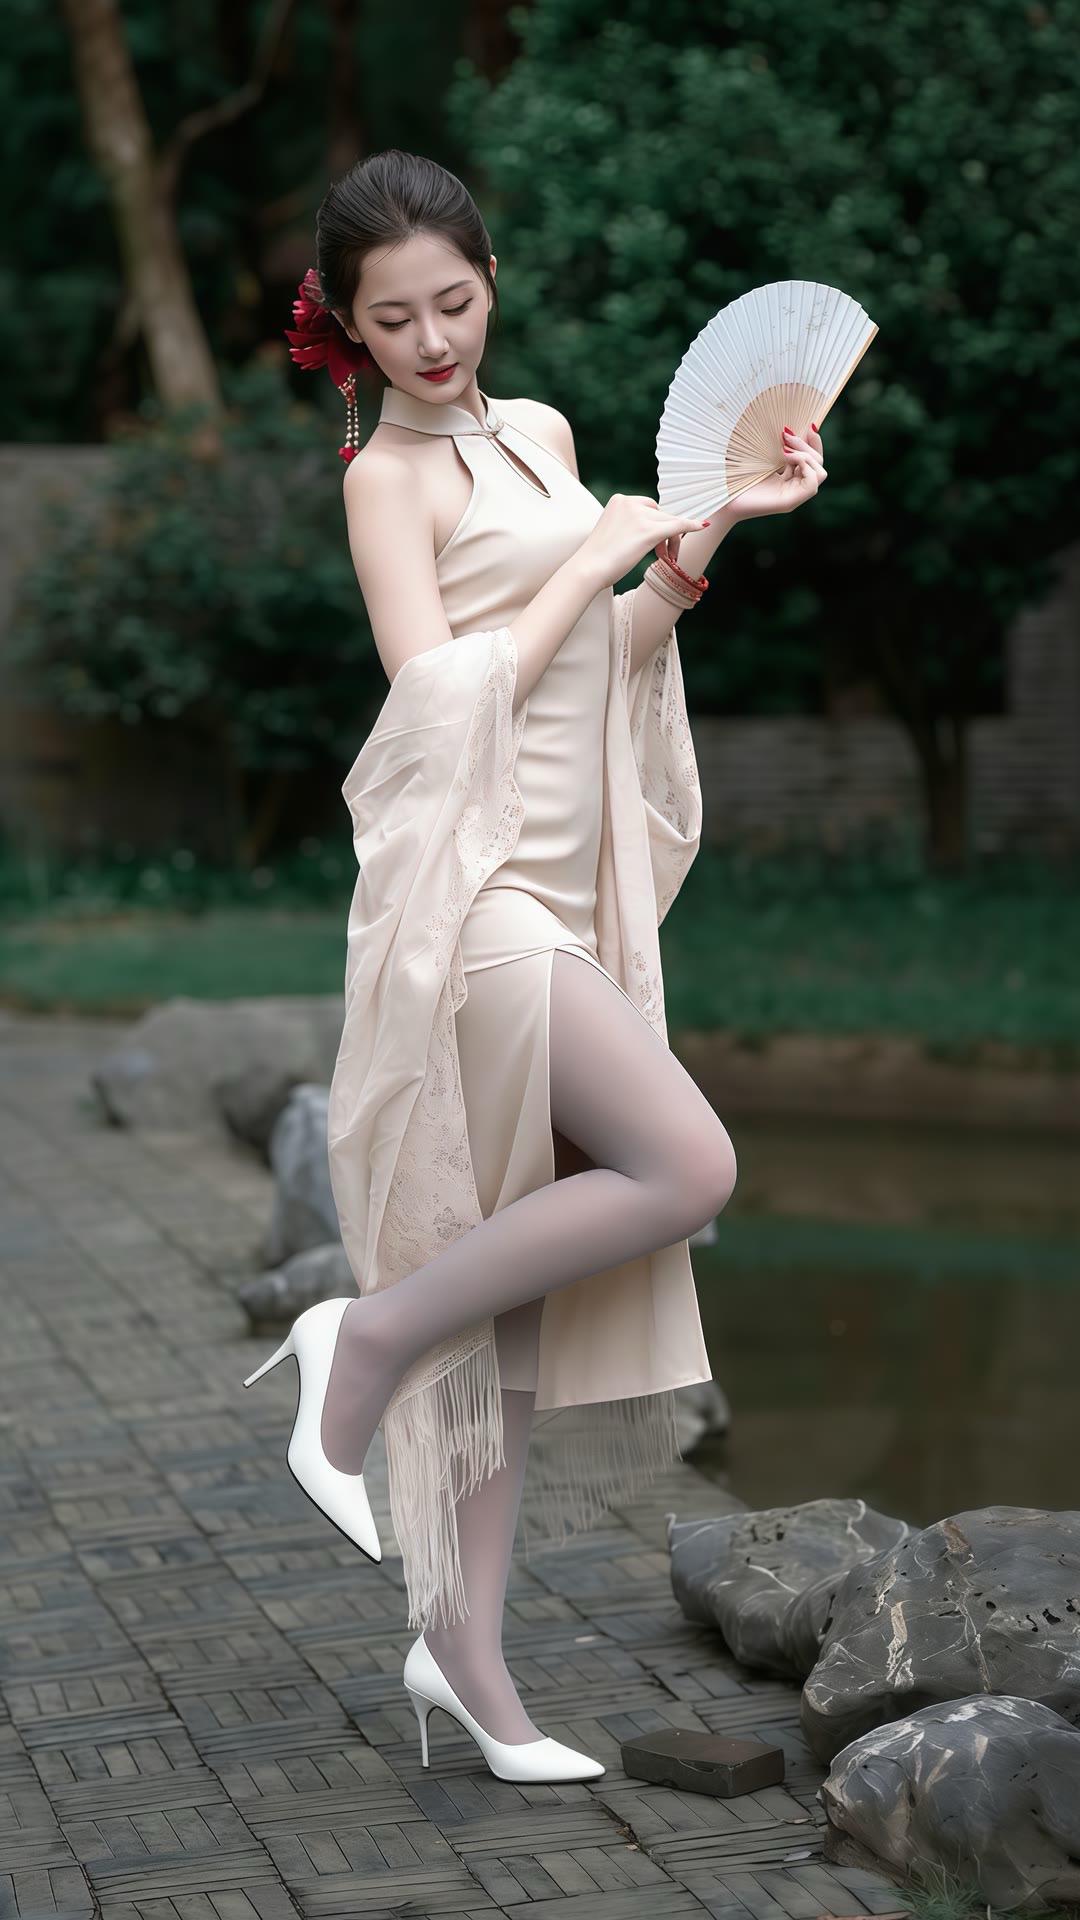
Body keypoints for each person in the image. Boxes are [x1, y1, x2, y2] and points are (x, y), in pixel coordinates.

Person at [260, 147, 827, 1777]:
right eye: (394, 319)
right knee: (689, 1164)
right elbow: (431, 701)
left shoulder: (546, 437)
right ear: (347, 326)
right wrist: (588, 559)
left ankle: (464, 1662)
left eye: (453, 301)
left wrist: (701, 546)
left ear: (490, 280)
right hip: (476, 903)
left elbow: (598, 657)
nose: (434, 341)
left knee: (500, 1325)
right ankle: (361, 1337)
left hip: (571, 895)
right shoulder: (387, 481)